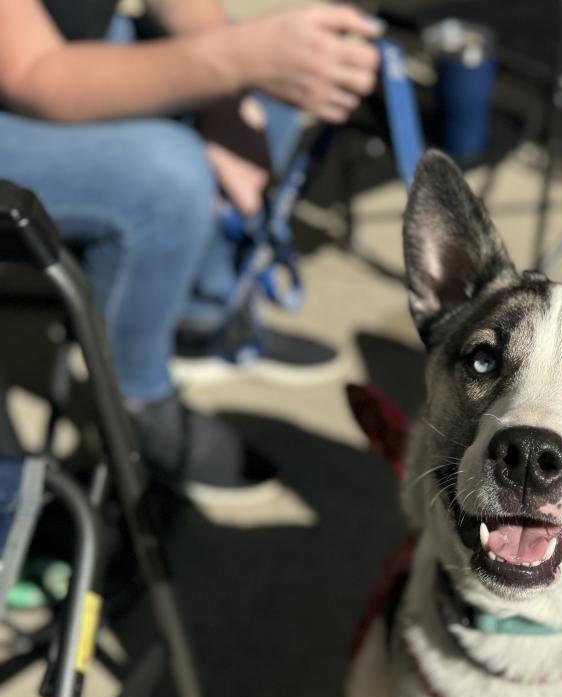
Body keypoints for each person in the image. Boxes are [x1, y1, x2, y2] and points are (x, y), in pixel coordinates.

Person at [0, 0, 382, 500]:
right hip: (25, 74)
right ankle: (135, 404)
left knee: (275, 90)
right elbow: (34, 74)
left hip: (62, 41)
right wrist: (240, 60)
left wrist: (232, 92)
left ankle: (198, 317)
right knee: (164, 177)